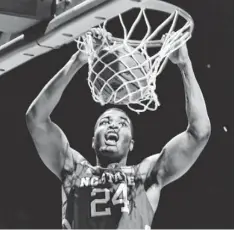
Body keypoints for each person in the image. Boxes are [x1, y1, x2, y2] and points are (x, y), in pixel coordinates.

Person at [26, 29, 211, 229]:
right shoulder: (73, 170)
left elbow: (199, 132)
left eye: (122, 123)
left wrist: (185, 65)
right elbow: (36, 119)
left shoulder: (145, 176)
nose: (113, 124)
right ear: (93, 140)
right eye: (105, 122)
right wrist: (78, 60)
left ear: (131, 143)